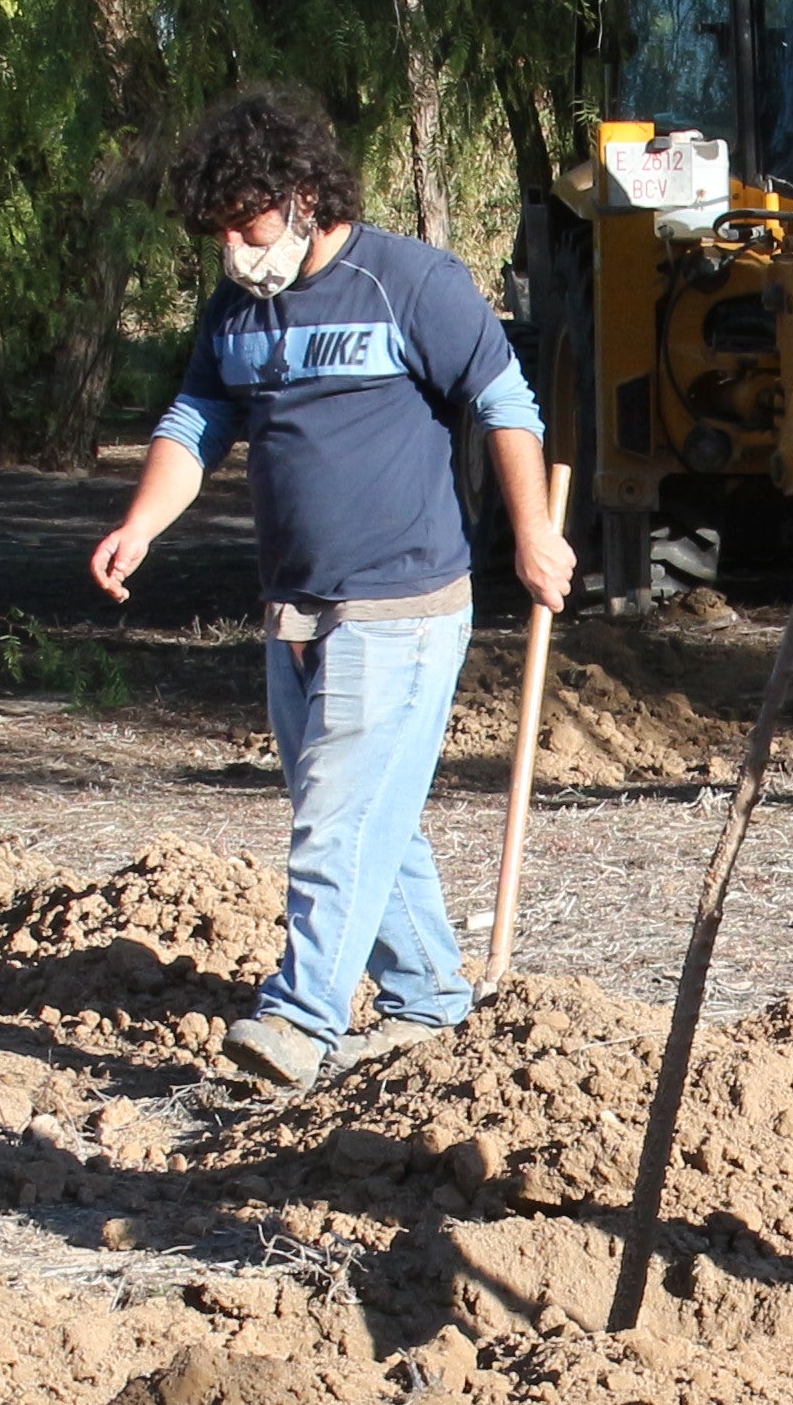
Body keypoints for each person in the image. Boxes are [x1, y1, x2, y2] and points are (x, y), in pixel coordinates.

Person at [87, 83, 575, 1088]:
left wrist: (533, 537)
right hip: (294, 605)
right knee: (364, 811)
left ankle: (300, 1018)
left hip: (400, 601)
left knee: (337, 820)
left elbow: (506, 402)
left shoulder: (411, 283)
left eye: (248, 222)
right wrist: (139, 522)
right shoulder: (236, 306)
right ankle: (431, 996)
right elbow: (195, 422)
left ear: (307, 192)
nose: (235, 245)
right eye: (219, 230)